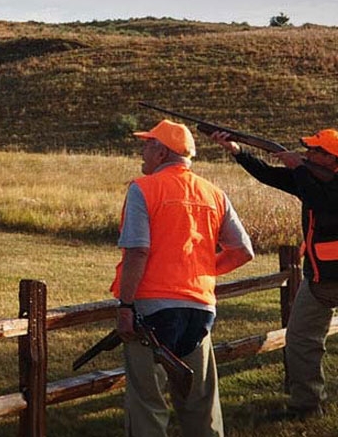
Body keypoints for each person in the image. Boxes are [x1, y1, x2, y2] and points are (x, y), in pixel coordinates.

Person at [210, 129, 338, 436]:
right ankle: (306, 404)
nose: (306, 155)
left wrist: (298, 168)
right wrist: (238, 151)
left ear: (332, 158)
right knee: (300, 342)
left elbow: (324, 202)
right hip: (318, 278)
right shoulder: (311, 177)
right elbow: (269, 175)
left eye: (314, 152)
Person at [115, 120, 256, 437]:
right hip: (200, 309)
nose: (143, 150)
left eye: (148, 144)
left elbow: (137, 251)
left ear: (162, 151)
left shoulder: (144, 188)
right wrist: (199, 270)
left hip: (150, 311)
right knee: (200, 403)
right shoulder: (214, 193)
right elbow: (243, 250)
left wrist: (125, 307)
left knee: (148, 404)